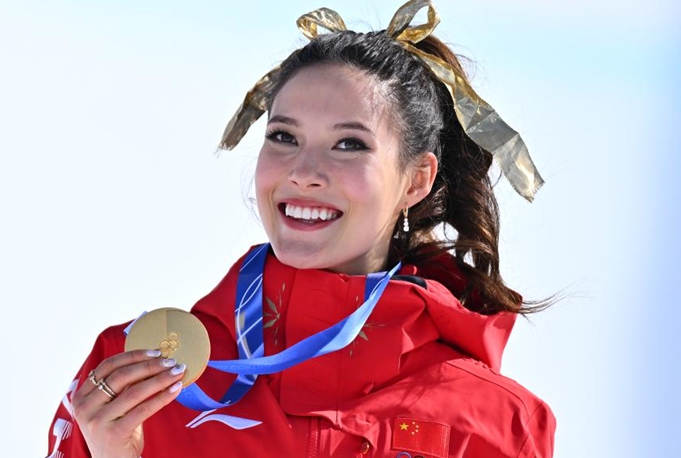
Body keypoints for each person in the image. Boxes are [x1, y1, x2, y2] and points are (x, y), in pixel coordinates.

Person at [46, 2, 555, 457]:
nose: (304, 171)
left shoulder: (496, 423)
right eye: (284, 136)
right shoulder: (132, 379)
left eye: (349, 144)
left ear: (416, 180)